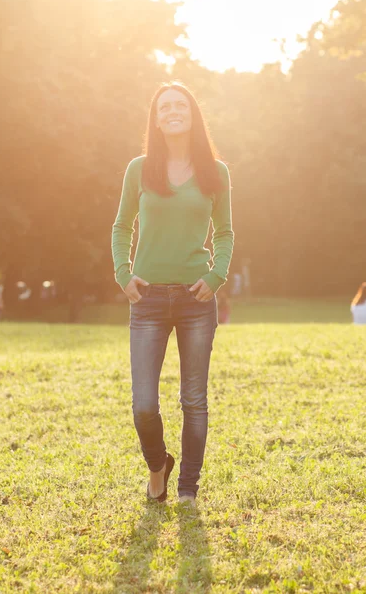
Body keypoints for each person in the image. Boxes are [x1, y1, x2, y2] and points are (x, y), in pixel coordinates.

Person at [112, 82, 234, 506]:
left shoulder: (215, 172)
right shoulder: (139, 168)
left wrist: (217, 275)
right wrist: (123, 273)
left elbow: (224, 233)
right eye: (165, 106)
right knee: (144, 404)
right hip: (146, 301)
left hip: (196, 300)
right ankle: (158, 464)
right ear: (156, 119)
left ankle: (187, 490)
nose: (173, 111)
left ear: (193, 114)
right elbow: (122, 225)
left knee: (193, 400)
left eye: (181, 104)